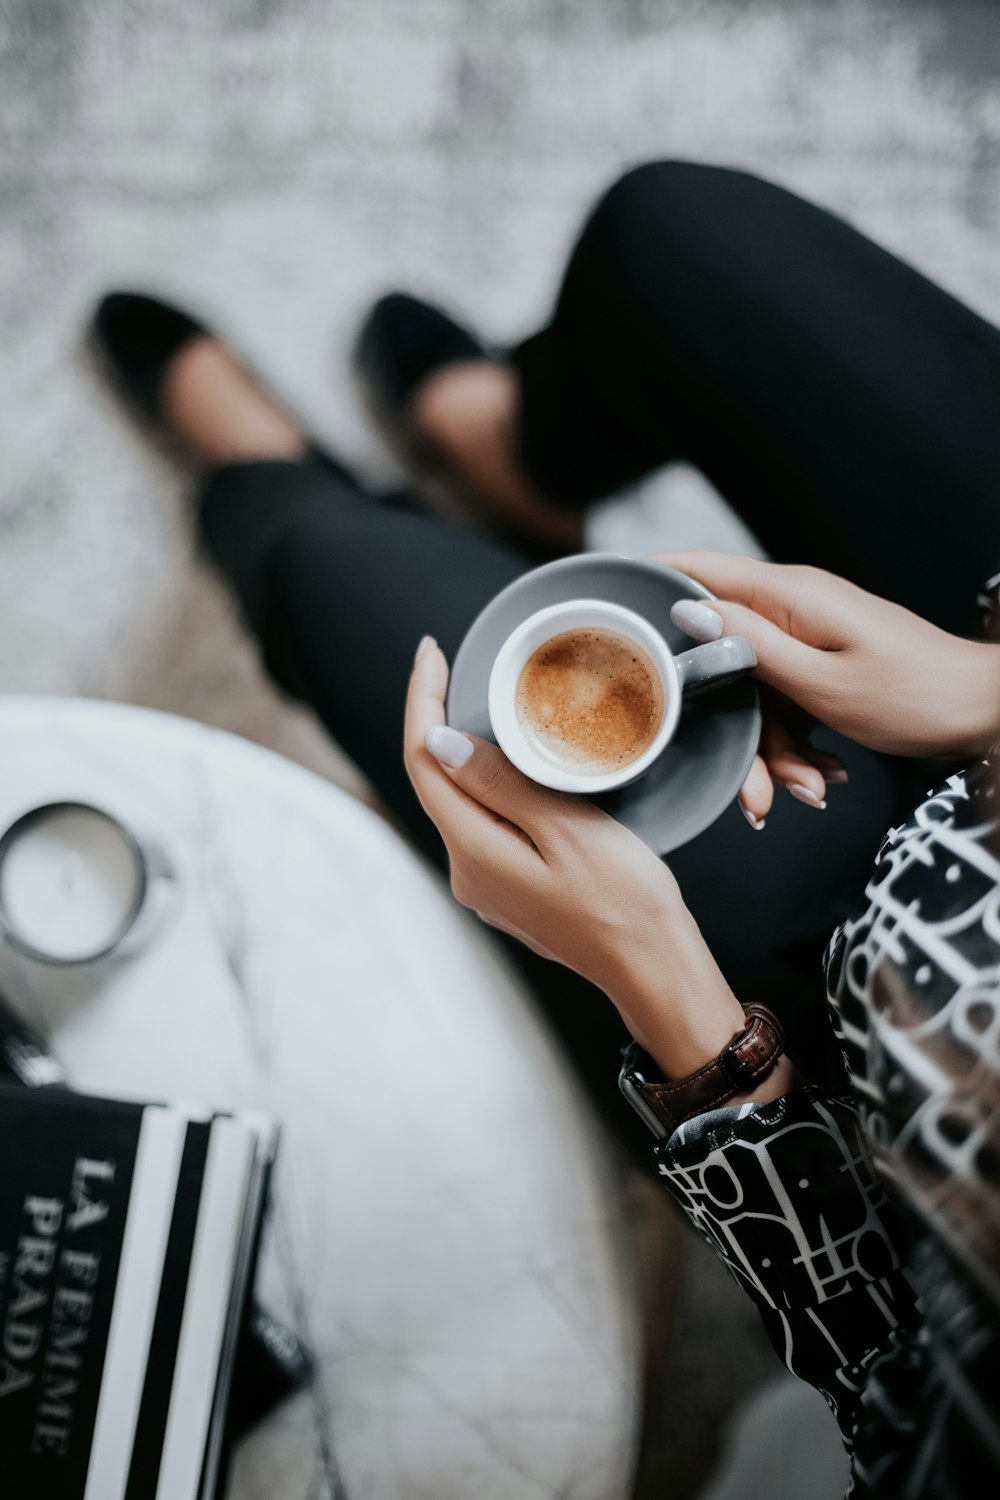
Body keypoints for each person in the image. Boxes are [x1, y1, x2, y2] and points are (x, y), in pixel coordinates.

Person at [93, 161, 1000, 1495]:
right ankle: (520, 461)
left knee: (335, 577)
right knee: (669, 234)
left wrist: (682, 1014)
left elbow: (887, 1391)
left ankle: (264, 486)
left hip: (852, 1017)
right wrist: (983, 691)